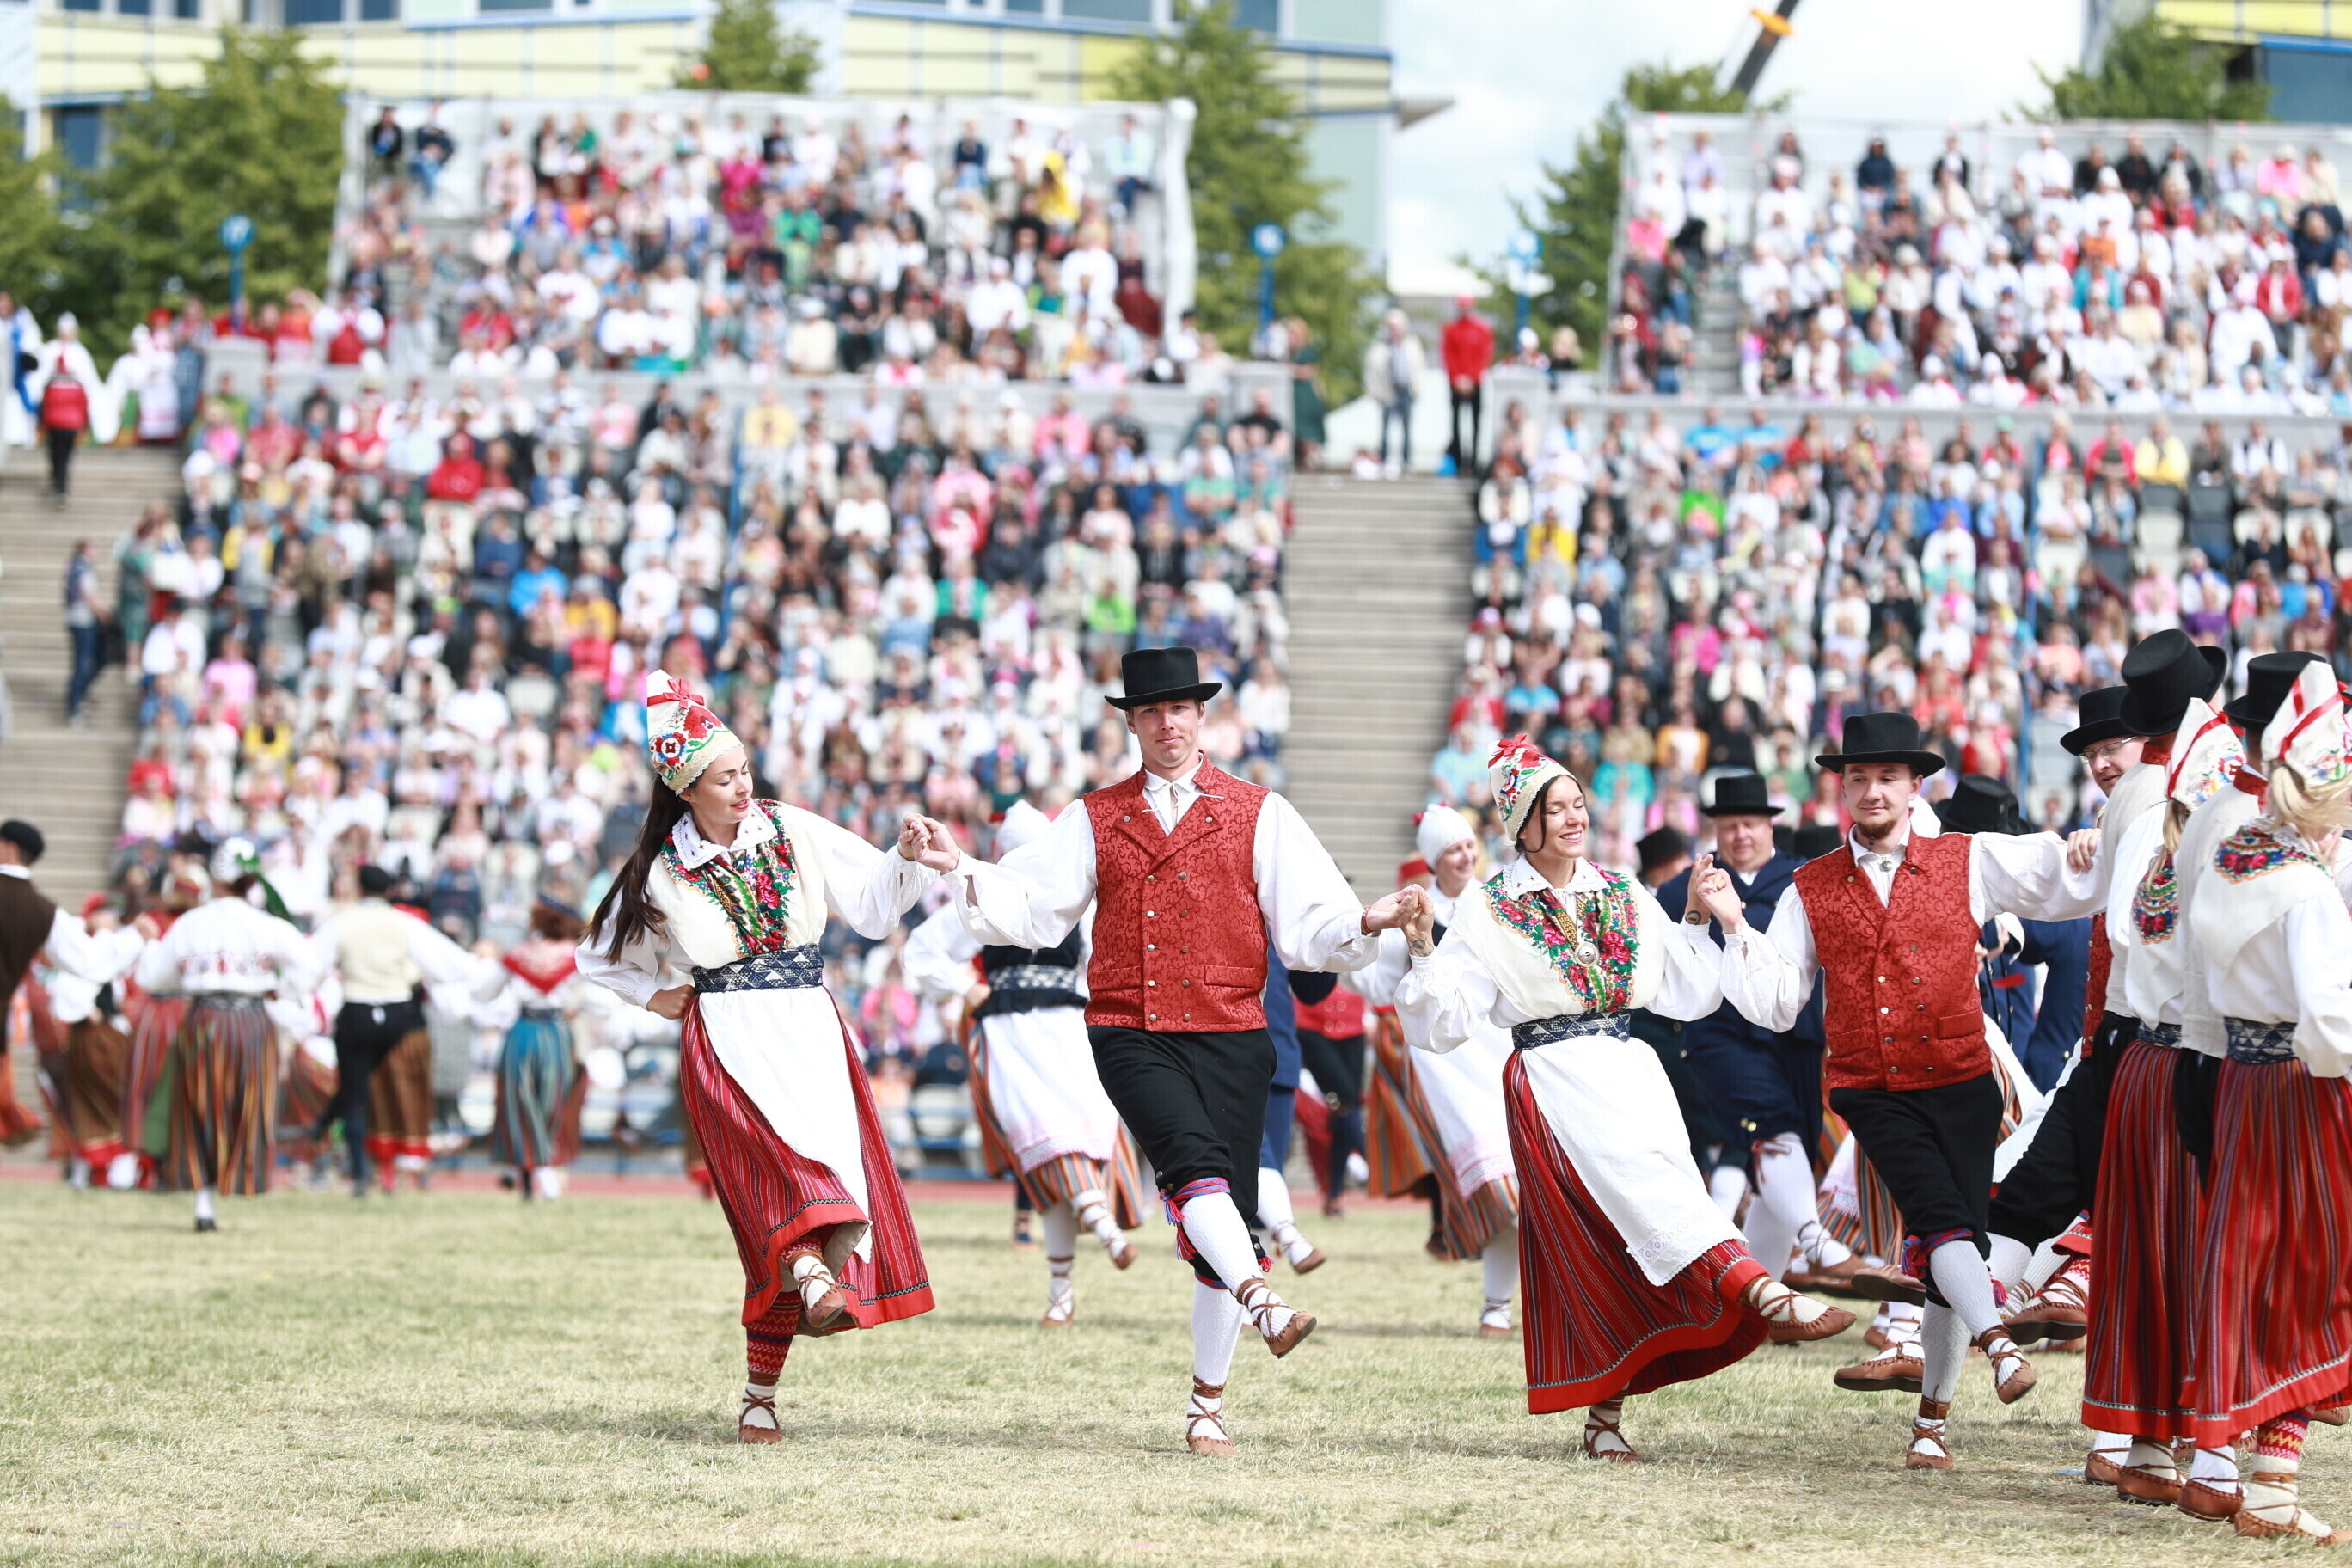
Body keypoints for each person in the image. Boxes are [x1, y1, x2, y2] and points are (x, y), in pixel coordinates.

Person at [951, 646, 1419, 1456]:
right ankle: (1264, 1300)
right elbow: (1035, 908)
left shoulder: (1260, 811)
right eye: (1151, 711)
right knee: (1193, 1169)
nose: (1167, 723)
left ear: (1202, 717)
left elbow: (1310, 924)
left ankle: (1208, 1406)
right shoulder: (1093, 816)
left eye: (1180, 709)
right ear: (1130, 724)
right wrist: (957, 864)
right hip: (1129, 1028)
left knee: (1221, 1214)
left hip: (1234, 1033)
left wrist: (1366, 921)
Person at [1398, 738, 1853, 1462]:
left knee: (1624, 1241)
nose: (1574, 817)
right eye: (1555, 808)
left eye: (1578, 803)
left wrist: (1697, 916)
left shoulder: (1621, 889)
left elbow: (1685, 992)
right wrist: (1424, 947)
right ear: (1522, 824)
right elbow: (1441, 1023)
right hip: (1553, 1077)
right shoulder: (1489, 909)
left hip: (1630, 1069)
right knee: (1651, 1200)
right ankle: (1767, 1294)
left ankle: (1603, 1421)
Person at [1712, 711, 2104, 1468]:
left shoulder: (1969, 857)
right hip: (1872, 1088)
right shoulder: (1809, 887)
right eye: (1858, 778)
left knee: (1957, 1242)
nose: (1872, 791)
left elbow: (2061, 879)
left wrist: (2095, 843)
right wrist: (1733, 925)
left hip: (1964, 1081)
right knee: (1939, 1220)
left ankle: (1931, 1423)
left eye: (1887, 777)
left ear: (1915, 784)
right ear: (1841, 789)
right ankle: (1999, 1346)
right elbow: (1778, 1001)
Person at [578, 671, 960, 1445]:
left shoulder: (790, 828)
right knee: (782, 1185)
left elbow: (874, 905)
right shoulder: (660, 869)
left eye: (745, 769)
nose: (744, 786)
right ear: (686, 788)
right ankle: (815, 1278)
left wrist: (906, 856)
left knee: (792, 1207)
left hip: (809, 1028)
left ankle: (761, 1393)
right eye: (725, 777)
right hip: (725, 1039)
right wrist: (653, 996)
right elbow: (598, 954)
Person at [1992, 638, 2220, 1353]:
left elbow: (2130, 925)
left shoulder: (2166, 799)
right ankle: (1961, 1324)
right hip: (2119, 1044)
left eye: (2112, 746)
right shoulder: (2146, 802)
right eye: (2091, 754)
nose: (2101, 763)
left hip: (2162, 1044)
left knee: (2134, 1209)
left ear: (2148, 734)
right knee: (2040, 1193)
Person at [2184, 658, 2352, 1542]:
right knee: (2312, 1277)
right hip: (2301, 1091)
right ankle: (2274, 1482)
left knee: (2262, 1274)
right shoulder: (2307, 888)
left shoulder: (2233, 858)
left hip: (2244, 1083)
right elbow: (2327, 1024)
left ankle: (2256, 1471)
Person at [2074, 693, 2248, 1514]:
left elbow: (2122, 936)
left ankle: (2147, 1445)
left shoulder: (2153, 832)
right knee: (2216, 1252)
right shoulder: (2225, 843)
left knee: (2152, 1250)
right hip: (2207, 1058)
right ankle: (2216, 1458)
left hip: (2144, 1055)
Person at [903, 799, 1144, 1328]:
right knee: (1047, 1141)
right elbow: (920, 951)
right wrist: (965, 987)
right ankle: (1104, 1229)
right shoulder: (980, 894)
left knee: (1072, 1140)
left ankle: (1063, 1295)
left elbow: (1100, 965)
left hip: (1067, 1032)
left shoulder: (1075, 902)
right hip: (1010, 1033)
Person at [1656, 774, 1857, 1291]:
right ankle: (1815, 1239)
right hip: (1721, 1036)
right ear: (1715, 830)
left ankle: (1760, 1300)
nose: (1740, 835)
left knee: (1790, 1147)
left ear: (1770, 826)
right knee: (1773, 1125)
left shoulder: (1805, 879)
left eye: (1750, 823)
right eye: (1729, 826)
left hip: (1796, 1035)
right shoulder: (1682, 889)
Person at [1351, 805, 1522, 1336]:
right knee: (1498, 1186)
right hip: (1445, 1068)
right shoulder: (1415, 911)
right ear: (1432, 859)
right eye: (1453, 850)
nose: (1466, 857)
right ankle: (1499, 1305)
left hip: (1500, 1052)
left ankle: (1500, 1305)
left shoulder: (1498, 903)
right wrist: (1367, 935)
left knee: (1522, 1186)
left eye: (1469, 845)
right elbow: (1376, 983)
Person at [133, 838, 321, 1231]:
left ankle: (204, 1203)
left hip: (203, 1019)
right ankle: (238, 1178)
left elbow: (154, 977)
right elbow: (310, 967)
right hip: (252, 1021)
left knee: (199, 1106)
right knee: (247, 1104)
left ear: (215, 879)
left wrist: (151, 946)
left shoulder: (191, 923)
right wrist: (279, 990)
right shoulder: (267, 924)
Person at [308, 865, 500, 1197]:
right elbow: (446, 962)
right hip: (398, 1016)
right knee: (389, 1092)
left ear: (360, 889)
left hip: (357, 1009)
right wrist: (482, 973)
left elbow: (311, 964)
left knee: (356, 1094)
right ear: (388, 892)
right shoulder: (406, 924)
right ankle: (365, 1155)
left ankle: (358, 1169)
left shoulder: (342, 923)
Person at [481, 895, 598, 1201]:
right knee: (552, 1100)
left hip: (523, 1031)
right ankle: (544, 1168)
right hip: (556, 1032)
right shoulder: (574, 956)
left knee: (518, 1101)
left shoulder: (519, 953)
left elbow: (483, 992)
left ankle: (525, 1170)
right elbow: (597, 1000)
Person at [1441, 296, 1494, 474]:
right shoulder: (1451, 329)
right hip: (1457, 383)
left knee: (1476, 422)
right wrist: (1457, 378)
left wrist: (1471, 378)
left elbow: (1483, 356)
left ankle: (1474, 461)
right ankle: (1457, 460)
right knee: (1456, 422)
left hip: (1475, 383)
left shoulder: (1481, 329)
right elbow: (1449, 355)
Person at [64, 541, 107, 727]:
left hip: (75, 620)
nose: (96, 552)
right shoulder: (83, 570)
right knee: (84, 664)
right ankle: (76, 702)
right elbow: (90, 597)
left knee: (83, 663)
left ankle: (79, 696)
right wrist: (105, 616)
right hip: (84, 622)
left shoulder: (73, 567)